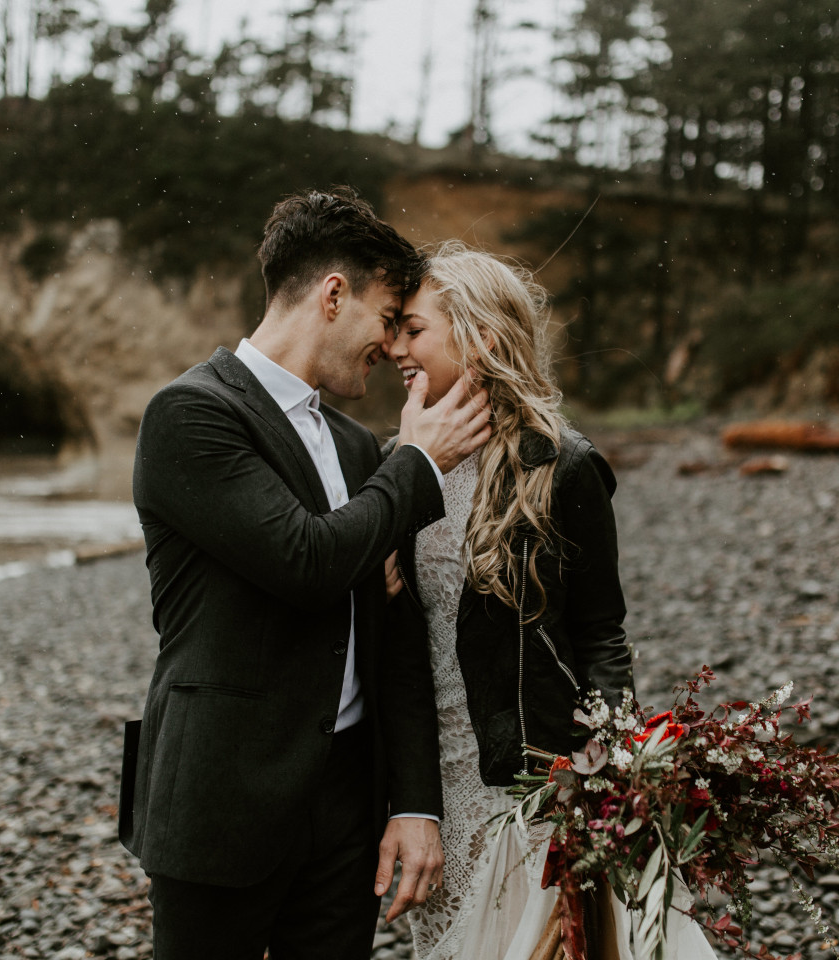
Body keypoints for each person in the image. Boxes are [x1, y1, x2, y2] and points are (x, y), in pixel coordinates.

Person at [121, 189, 491, 959]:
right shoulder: (191, 415)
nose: (394, 348)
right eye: (388, 318)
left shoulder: (360, 451)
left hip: (346, 802)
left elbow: (397, 643)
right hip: (221, 794)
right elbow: (305, 560)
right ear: (333, 295)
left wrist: (414, 800)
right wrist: (419, 464)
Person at [383, 241, 717, 960]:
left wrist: (614, 770)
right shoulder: (394, 469)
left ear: (481, 338)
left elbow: (602, 632)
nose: (393, 348)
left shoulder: (563, 465)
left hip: (533, 775)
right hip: (429, 773)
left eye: (413, 330)